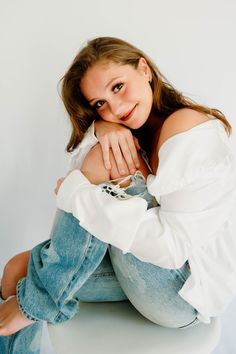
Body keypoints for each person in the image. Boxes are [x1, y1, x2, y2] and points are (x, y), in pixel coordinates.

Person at [1, 36, 236, 353]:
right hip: (142, 269)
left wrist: (79, 196)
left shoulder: (188, 130)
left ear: (144, 69)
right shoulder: (129, 129)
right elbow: (82, 170)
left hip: (184, 293)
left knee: (102, 159)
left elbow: (171, 248)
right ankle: (36, 305)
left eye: (117, 87)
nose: (116, 108)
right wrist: (101, 128)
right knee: (16, 271)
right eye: (100, 103)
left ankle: (39, 302)